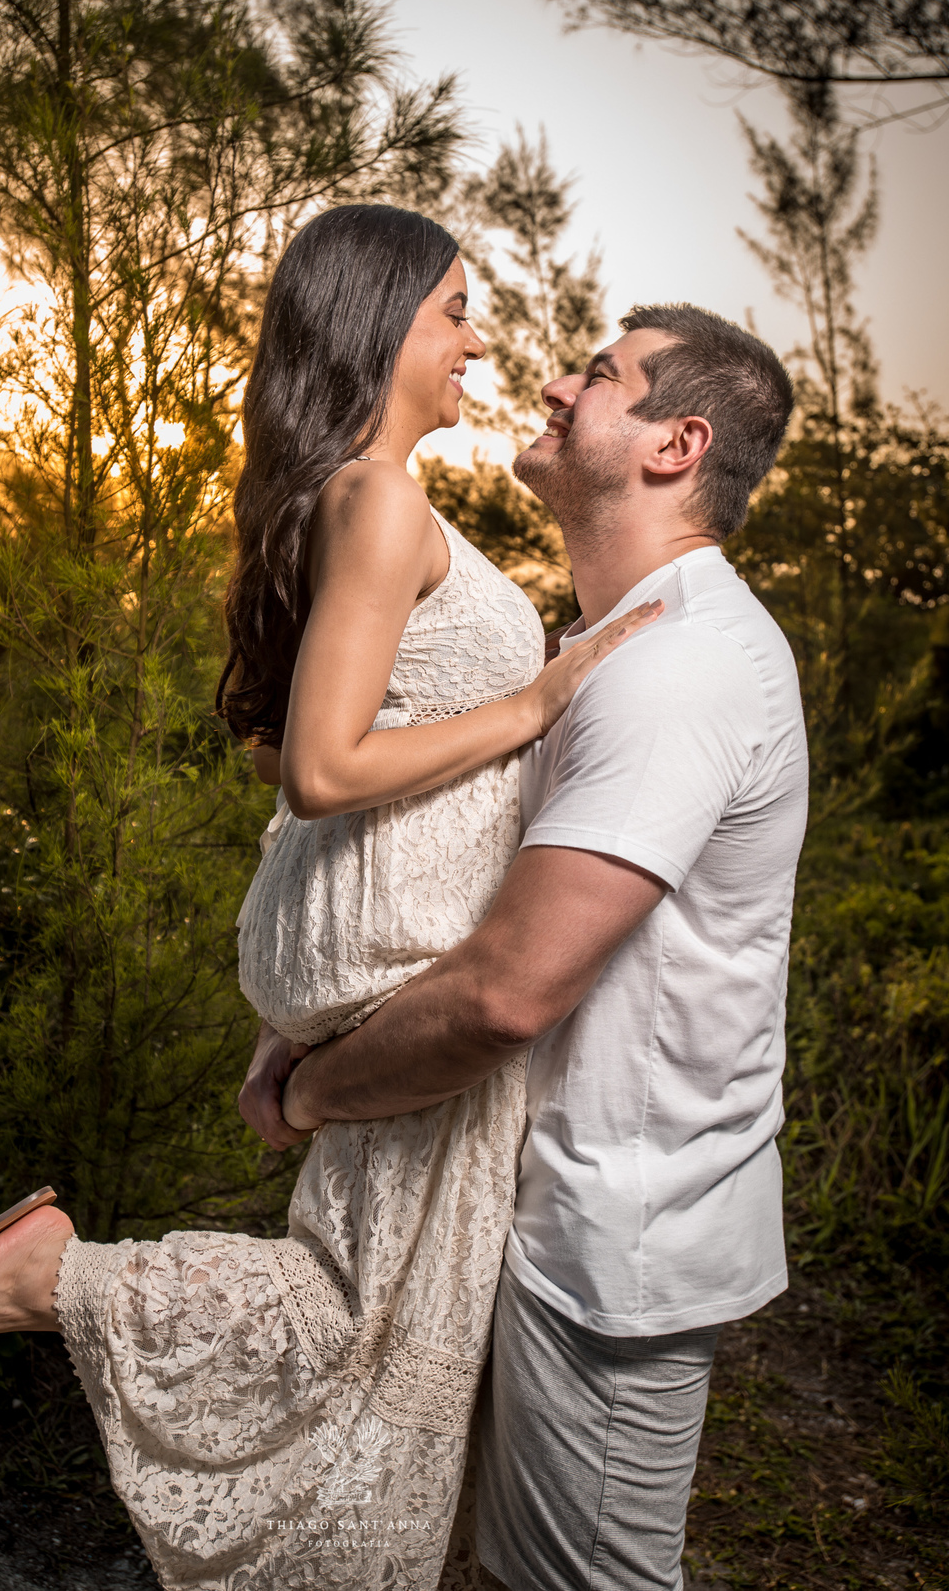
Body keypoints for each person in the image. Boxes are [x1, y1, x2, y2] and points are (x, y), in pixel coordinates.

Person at [0, 205, 659, 1591]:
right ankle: (52, 1277)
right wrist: (533, 702)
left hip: (374, 945)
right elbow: (324, 768)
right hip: (409, 956)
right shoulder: (378, 499)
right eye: (453, 307)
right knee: (363, 1327)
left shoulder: (350, 497)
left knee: (384, 1329)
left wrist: (310, 983)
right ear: (381, 323)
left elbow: (273, 744)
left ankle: (68, 1290)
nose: (476, 336)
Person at [255, 302, 808, 1591]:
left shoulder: (682, 669)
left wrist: (314, 1093)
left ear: (677, 444)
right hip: (530, 1205)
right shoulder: (605, 652)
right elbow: (462, 890)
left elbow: (505, 995)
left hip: (610, 1248)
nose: (556, 385)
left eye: (600, 377)